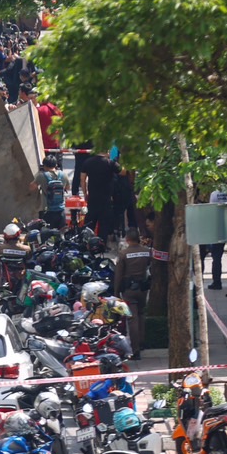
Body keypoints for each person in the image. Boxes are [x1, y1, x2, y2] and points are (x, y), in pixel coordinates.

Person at [113, 228, 154, 359]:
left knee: (132, 319)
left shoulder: (124, 254)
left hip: (129, 290)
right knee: (141, 315)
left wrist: (116, 291)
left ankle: (135, 350)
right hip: (142, 289)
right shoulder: (147, 252)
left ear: (127, 240)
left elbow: (119, 275)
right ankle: (142, 342)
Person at [73, 150, 119, 239]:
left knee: (90, 222)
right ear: (107, 151)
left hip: (92, 197)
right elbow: (122, 172)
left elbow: (82, 179)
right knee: (104, 224)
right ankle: (102, 244)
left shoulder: (88, 162)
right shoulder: (110, 163)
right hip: (106, 198)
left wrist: (85, 193)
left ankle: (87, 242)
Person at [202, 188, 227, 289]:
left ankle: (217, 282)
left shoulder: (214, 194)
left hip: (219, 228)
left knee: (217, 258)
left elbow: (212, 211)